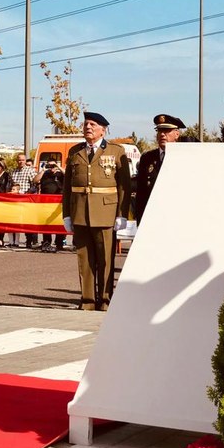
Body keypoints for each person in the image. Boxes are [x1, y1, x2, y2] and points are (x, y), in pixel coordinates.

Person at [62, 111, 131, 311]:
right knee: (84, 260)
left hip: (106, 213)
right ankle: (88, 300)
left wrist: (122, 214)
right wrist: (66, 213)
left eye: (92, 124)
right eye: (86, 124)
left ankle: (106, 300)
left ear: (103, 129)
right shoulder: (75, 152)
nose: (88, 127)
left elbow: (123, 185)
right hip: (81, 213)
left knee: (106, 260)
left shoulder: (116, 151)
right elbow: (67, 187)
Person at [135, 114, 185, 225]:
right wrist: (139, 219)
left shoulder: (184, 157)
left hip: (177, 216)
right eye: (159, 130)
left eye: (167, 131)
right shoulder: (147, 158)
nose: (162, 134)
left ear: (177, 134)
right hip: (152, 217)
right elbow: (141, 193)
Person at [34, 161, 66, 252]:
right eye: (50, 165)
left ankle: (59, 243)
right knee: (46, 222)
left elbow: (69, 176)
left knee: (59, 222)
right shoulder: (45, 173)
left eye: (53, 165)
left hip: (58, 202)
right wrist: (43, 170)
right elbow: (35, 180)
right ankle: (46, 242)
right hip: (46, 202)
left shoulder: (60, 174)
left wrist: (58, 167)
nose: (51, 167)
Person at [11, 153, 38, 248]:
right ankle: (14, 242)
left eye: (22, 160)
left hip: (26, 199)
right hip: (15, 201)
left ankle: (29, 240)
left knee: (27, 221)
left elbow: (35, 184)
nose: (20, 162)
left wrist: (28, 193)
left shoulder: (30, 171)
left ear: (25, 161)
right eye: (19, 160)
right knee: (15, 221)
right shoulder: (13, 172)